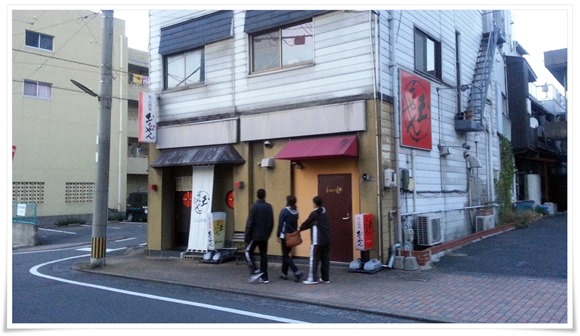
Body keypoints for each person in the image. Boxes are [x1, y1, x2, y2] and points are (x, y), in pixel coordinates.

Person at [244, 188, 274, 284]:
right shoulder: (269, 207)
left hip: (254, 235)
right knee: (263, 255)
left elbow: (250, 222)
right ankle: (265, 277)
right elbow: (271, 222)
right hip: (264, 236)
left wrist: (247, 235)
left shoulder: (254, 207)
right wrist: (268, 234)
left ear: (257, 195)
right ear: (264, 195)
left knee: (248, 252)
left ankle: (254, 271)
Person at [299, 196, 330, 285]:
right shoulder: (325, 211)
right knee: (325, 259)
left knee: (314, 259)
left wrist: (300, 228)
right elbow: (313, 223)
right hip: (326, 239)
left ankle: (312, 278)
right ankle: (325, 278)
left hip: (317, 240)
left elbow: (307, 223)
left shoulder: (314, 214)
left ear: (315, 204)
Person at [276, 195, 304, 282]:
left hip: (285, 236)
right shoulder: (295, 212)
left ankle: (296, 271)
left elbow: (280, 224)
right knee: (286, 254)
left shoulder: (284, 211)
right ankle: (284, 273)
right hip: (292, 236)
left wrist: (278, 235)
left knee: (285, 255)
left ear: (287, 201)